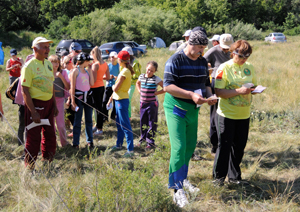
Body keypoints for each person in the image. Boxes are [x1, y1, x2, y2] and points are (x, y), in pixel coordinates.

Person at [163, 30, 217, 208]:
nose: (201, 51)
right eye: (199, 47)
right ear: (189, 43)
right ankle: (177, 190)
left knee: (190, 146)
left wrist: (210, 96)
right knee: (178, 148)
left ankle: (182, 178)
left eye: (204, 47)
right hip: (176, 108)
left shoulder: (202, 61)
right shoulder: (175, 60)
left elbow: (206, 84)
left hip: (193, 109)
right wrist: (191, 95)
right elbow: (168, 86)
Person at [213, 40, 259, 186]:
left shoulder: (249, 67)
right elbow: (218, 92)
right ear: (233, 53)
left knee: (239, 147)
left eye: (247, 57)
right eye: (241, 56)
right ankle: (218, 178)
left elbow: (253, 84)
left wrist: (254, 90)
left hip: (244, 114)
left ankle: (234, 177)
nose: (244, 60)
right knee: (224, 147)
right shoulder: (224, 67)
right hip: (227, 115)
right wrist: (238, 91)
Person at [21, 37, 58, 169]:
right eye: (44, 47)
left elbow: (51, 84)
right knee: (33, 137)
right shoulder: (28, 66)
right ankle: (29, 167)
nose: (47, 50)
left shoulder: (48, 64)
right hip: (35, 105)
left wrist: (54, 104)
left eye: (48, 47)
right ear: (35, 49)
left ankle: (48, 162)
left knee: (50, 135)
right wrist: (33, 111)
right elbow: (24, 90)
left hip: (48, 104)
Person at [204, 33, 234, 154]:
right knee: (215, 114)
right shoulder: (213, 51)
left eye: (228, 47)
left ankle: (227, 142)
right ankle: (215, 143)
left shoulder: (234, 51)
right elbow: (202, 61)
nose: (226, 49)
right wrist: (209, 70)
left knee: (227, 114)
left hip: (230, 84)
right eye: (224, 47)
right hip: (216, 83)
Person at [108, 50, 134, 158]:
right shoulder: (123, 69)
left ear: (120, 60)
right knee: (119, 124)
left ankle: (130, 150)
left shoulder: (124, 72)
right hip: (118, 99)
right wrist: (111, 98)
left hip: (122, 101)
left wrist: (113, 86)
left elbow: (116, 88)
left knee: (125, 126)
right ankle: (119, 145)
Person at [136, 61, 164, 149]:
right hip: (143, 103)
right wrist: (139, 90)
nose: (149, 72)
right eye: (148, 70)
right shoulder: (141, 76)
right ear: (146, 68)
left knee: (152, 122)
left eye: (152, 71)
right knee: (142, 121)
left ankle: (150, 142)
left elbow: (165, 87)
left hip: (152, 104)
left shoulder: (156, 79)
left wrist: (157, 93)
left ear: (155, 71)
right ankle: (143, 139)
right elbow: (137, 83)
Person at [70, 52, 94, 148]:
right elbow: (72, 87)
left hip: (88, 98)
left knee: (89, 120)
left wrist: (91, 71)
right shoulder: (75, 71)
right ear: (84, 61)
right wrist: (73, 101)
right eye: (88, 61)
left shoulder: (87, 71)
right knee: (77, 121)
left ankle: (90, 141)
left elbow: (91, 83)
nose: (89, 63)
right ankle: (76, 143)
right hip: (79, 98)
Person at [48, 55, 70, 147]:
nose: (56, 64)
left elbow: (68, 87)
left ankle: (64, 143)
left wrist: (60, 76)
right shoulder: (47, 73)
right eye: (54, 62)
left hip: (60, 100)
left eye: (57, 62)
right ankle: (53, 144)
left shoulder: (63, 72)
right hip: (49, 101)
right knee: (51, 125)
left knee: (61, 125)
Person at [90, 46, 109, 135]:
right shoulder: (105, 63)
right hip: (102, 86)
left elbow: (92, 81)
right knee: (99, 108)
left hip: (95, 88)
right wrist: (101, 77)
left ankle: (100, 129)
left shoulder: (95, 65)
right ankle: (97, 125)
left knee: (98, 109)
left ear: (93, 54)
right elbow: (108, 77)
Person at [122, 46, 141, 119]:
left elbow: (138, 74)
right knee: (125, 99)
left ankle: (128, 117)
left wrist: (129, 76)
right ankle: (127, 116)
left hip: (132, 84)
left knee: (128, 99)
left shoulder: (135, 62)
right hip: (125, 83)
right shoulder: (124, 61)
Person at [102, 51, 119, 122]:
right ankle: (105, 117)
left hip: (116, 86)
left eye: (114, 57)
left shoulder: (119, 66)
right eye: (111, 57)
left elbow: (122, 76)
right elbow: (102, 76)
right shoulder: (107, 66)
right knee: (105, 101)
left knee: (116, 102)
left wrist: (117, 77)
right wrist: (109, 77)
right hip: (108, 86)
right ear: (109, 58)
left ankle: (113, 116)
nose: (113, 59)